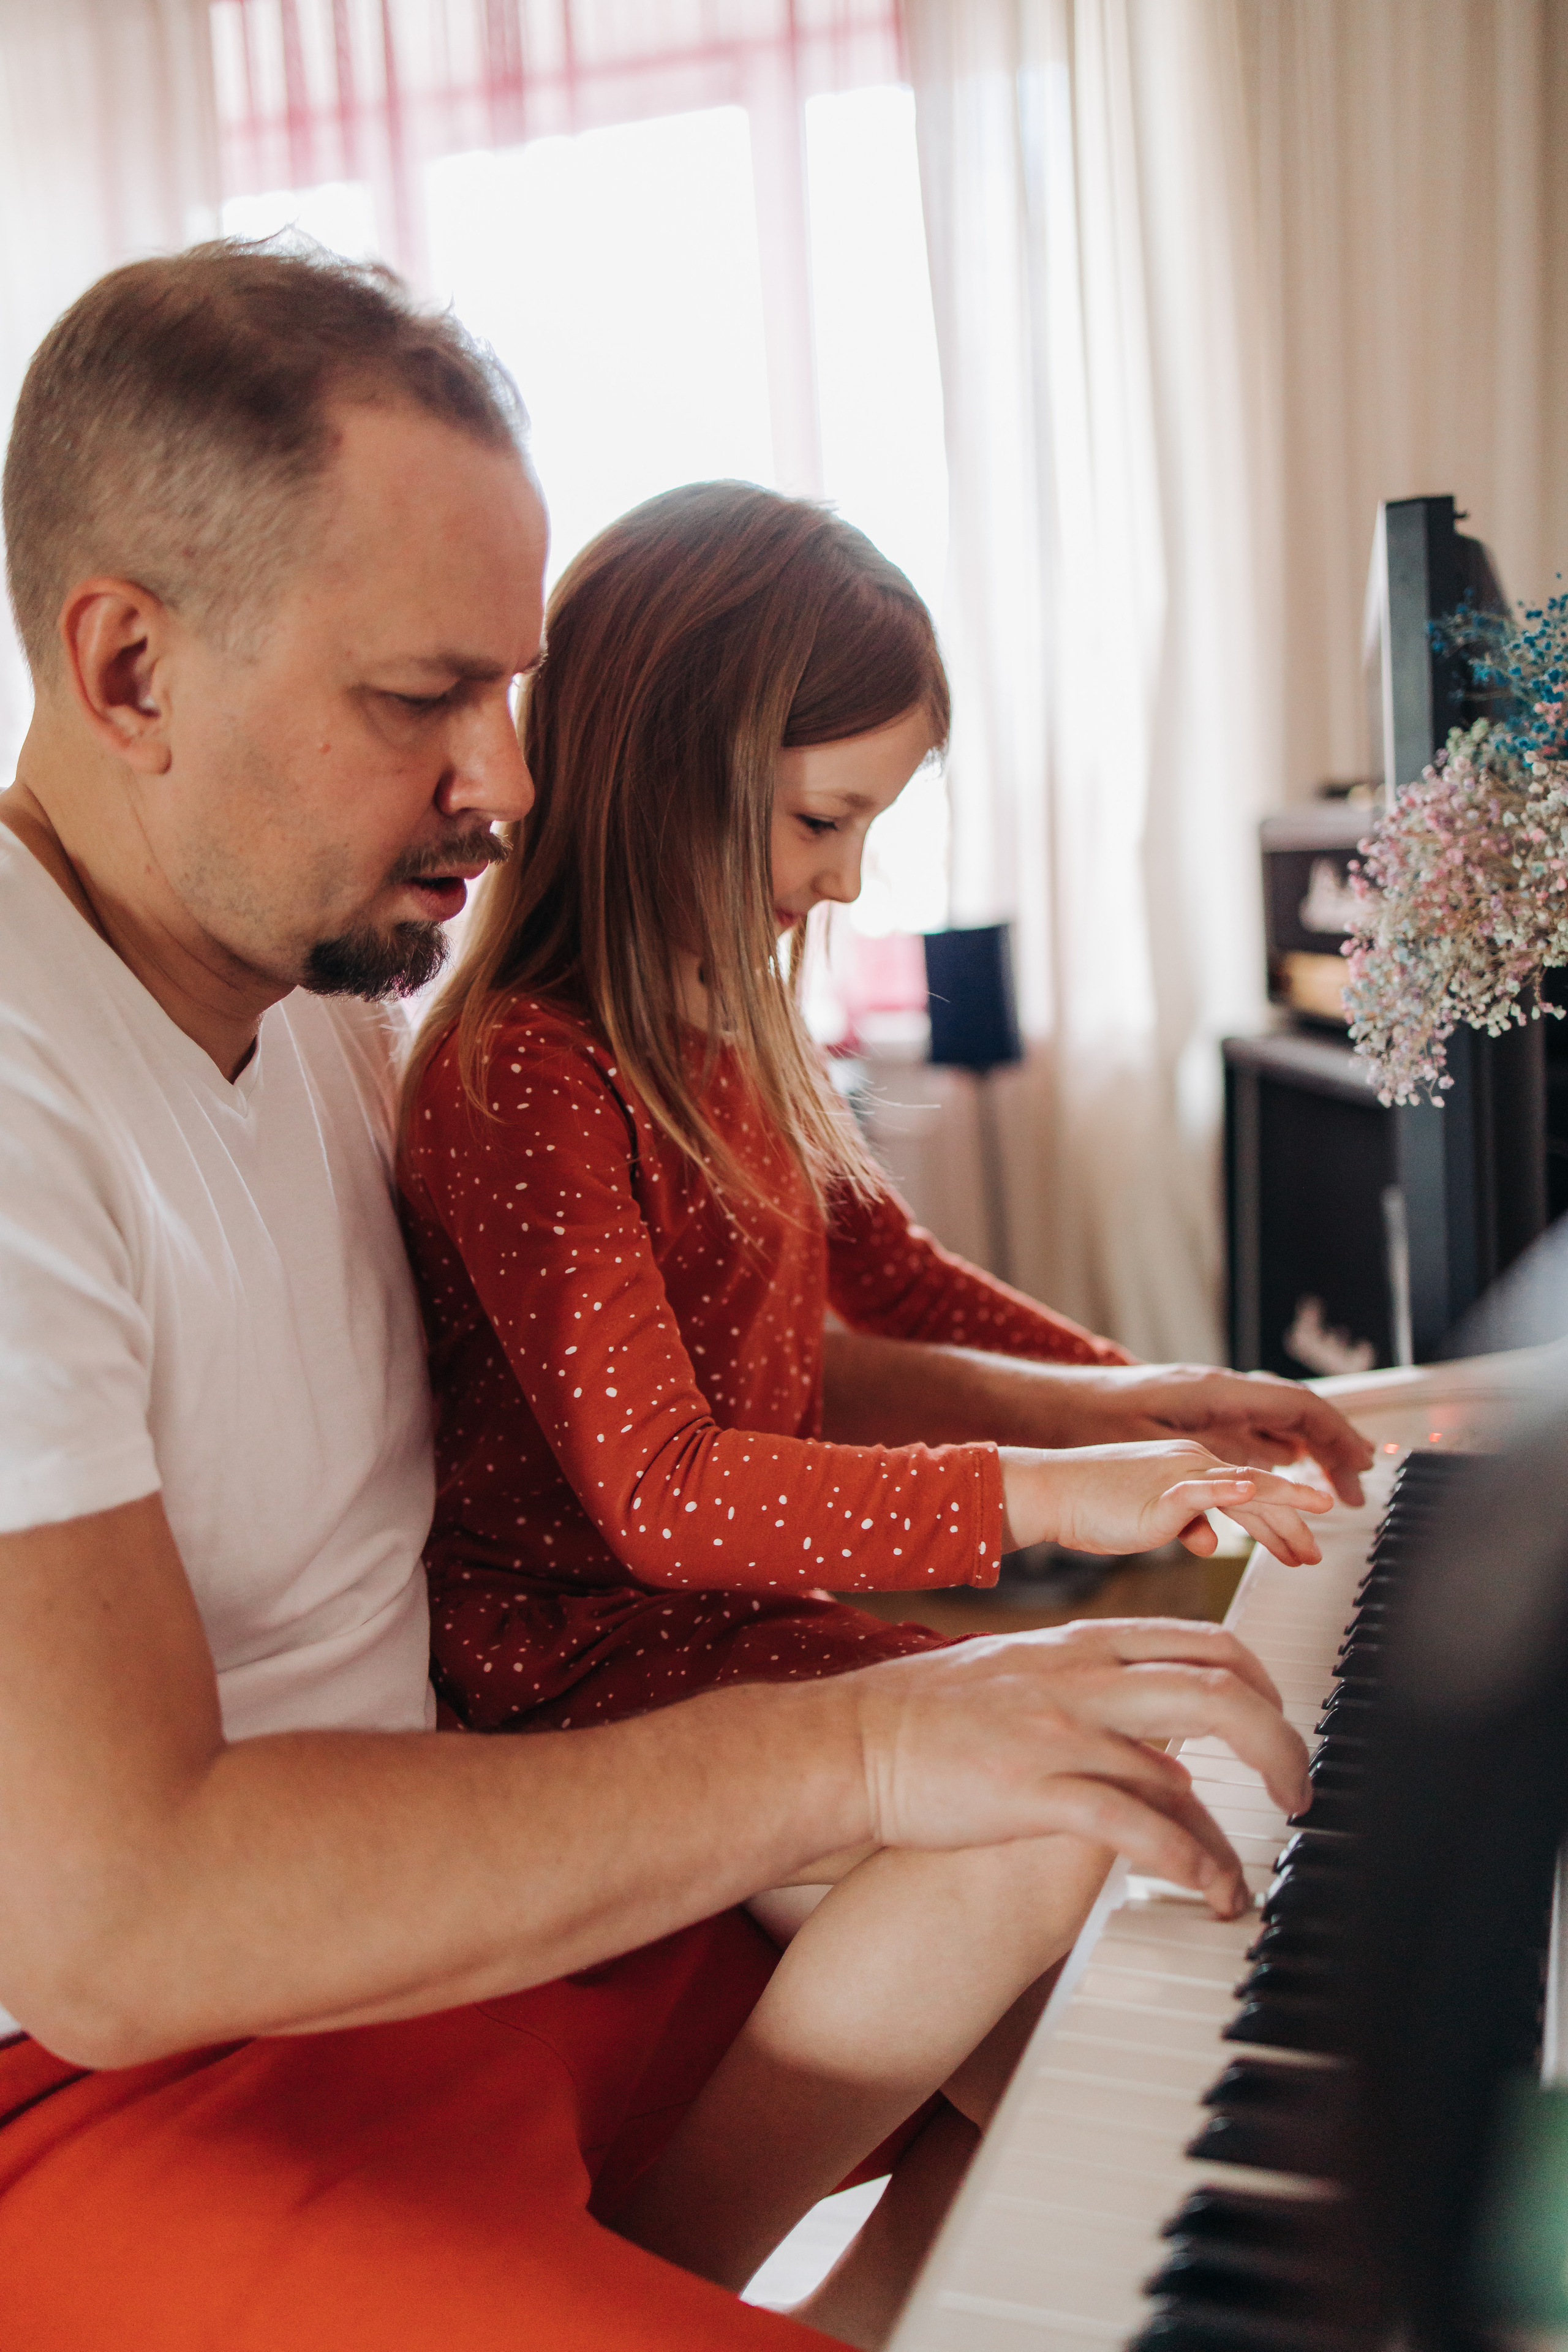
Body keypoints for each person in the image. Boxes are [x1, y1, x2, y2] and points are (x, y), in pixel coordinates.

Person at [0, 239, 1344, 2352]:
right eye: (421, 695)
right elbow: (118, 1928)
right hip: (146, 2058)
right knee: (1071, 1905)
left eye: (511, 685)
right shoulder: (36, 1084)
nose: (516, 779)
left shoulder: (337, 999)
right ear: (131, 669)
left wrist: (1143, 1421)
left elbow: (778, 1326)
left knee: (1149, 1966)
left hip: (468, 1892)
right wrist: (876, 1741)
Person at [398, 483, 1362, 2302]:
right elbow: (666, 1498)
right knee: (1070, 1817)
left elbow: (883, 1284)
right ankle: (661, 2284)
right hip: (587, 1673)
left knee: (1124, 2043)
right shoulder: (526, 1069)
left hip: (729, 1629)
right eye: (824, 822)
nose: (845, 881)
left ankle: (900, 2312)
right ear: (672, 768)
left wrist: (1159, 1405)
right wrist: (1064, 1502)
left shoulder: (718, 1018)